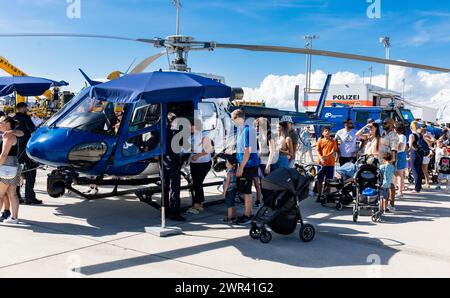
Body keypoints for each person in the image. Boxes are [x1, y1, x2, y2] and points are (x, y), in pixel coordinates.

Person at [231, 109, 260, 225]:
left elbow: (248, 151)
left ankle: (247, 215)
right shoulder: (240, 130)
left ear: (239, 118)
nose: (232, 122)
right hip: (244, 163)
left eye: (233, 119)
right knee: (245, 190)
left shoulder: (248, 130)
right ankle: (249, 213)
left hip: (248, 164)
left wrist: (241, 167)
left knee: (247, 191)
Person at [14, 103, 41, 205]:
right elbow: (33, 132)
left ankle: (17, 196)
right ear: (24, 108)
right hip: (25, 148)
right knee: (31, 171)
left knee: (16, 173)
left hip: (15, 148)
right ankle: (29, 197)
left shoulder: (13, 118)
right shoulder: (26, 118)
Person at [186, 123, 214, 215]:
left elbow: (208, 149)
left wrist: (197, 156)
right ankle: (199, 204)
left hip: (203, 163)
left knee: (197, 184)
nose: (189, 128)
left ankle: (196, 206)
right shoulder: (192, 136)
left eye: (191, 126)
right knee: (197, 184)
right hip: (195, 163)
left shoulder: (204, 136)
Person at [162, 113, 185, 222]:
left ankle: (164, 211)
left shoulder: (163, 130)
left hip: (163, 161)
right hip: (173, 162)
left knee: (164, 187)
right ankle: (174, 212)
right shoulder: (177, 132)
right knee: (175, 188)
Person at [0, 116, 22, 224]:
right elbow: (21, 133)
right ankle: (14, 218)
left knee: (0, 194)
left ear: (7, 124)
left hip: (4, 167)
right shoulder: (13, 135)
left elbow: (4, 155)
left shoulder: (7, 136)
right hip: (14, 167)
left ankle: (12, 217)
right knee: (12, 194)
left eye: (1, 123)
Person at [254, 117, 275, 207]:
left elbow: (272, 151)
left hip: (267, 162)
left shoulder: (270, 134)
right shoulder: (260, 135)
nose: (256, 128)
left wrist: (268, 165)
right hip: (260, 161)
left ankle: (270, 203)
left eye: (258, 125)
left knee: (267, 185)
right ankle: (267, 202)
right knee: (262, 183)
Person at [380, 118, 399, 211]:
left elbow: (394, 149)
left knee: (390, 183)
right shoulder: (384, 134)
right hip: (382, 161)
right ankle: (384, 203)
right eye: (383, 123)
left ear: (391, 124)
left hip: (389, 161)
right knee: (384, 182)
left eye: (385, 123)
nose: (383, 124)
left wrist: (392, 161)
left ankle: (391, 204)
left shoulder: (393, 135)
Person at [316, 126, 338, 201]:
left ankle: (327, 195)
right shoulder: (320, 140)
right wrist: (321, 158)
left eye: (328, 130)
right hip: (320, 163)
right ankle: (319, 195)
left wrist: (326, 156)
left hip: (330, 164)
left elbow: (333, 151)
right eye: (325, 131)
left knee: (329, 180)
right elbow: (317, 150)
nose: (327, 132)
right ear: (322, 133)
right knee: (319, 179)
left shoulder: (333, 141)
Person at [409, 121, 424, 193]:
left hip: (414, 153)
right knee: (419, 170)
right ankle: (419, 187)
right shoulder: (420, 134)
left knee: (414, 170)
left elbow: (410, 146)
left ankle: (416, 188)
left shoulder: (412, 135)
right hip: (420, 153)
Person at [222, 158, 237, 223]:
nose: (226, 163)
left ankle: (229, 218)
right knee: (232, 203)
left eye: (227, 162)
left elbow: (227, 183)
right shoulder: (234, 171)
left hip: (229, 190)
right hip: (233, 189)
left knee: (229, 205)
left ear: (231, 165)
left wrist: (224, 192)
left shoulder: (228, 173)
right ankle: (233, 216)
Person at [395, 123, 408, 199]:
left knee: (399, 174)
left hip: (399, 154)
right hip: (400, 154)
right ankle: (399, 190)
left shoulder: (401, 136)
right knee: (399, 174)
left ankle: (400, 191)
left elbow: (400, 147)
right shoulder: (401, 136)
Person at [421, 124, 435, 189]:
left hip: (427, 152)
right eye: (422, 128)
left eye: (424, 128)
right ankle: (423, 183)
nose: (424, 129)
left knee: (425, 169)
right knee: (422, 169)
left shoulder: (428, 134)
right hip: (421, 152)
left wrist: (427, 138)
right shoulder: (420, 133)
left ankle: (427, 183)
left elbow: (433, 140)